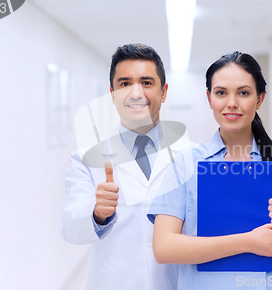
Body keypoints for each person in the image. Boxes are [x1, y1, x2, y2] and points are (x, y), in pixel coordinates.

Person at [148, 51, 272, 290]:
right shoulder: (185, 165)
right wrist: (248, 242)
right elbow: (163, 248)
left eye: (243, 93)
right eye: (221, 93)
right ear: (209, 99)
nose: (232, 103)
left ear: (260, 99)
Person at [59, 43, 182, 290]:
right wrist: (97, 213)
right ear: (113, 94)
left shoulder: (191, 156)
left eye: (146, 83)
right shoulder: (86, 159)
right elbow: (69, 226)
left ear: (164, 91)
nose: (136, 93)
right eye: (125, 84)